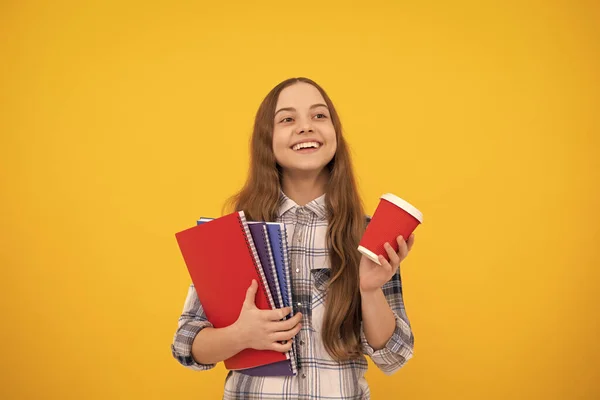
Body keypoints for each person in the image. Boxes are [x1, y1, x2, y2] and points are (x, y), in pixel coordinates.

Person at [172, 77, 416, 399]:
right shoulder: (232, 235)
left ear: (336, 135)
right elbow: (186, 345)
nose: (305, 127)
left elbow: (394, 355)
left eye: (319, 116)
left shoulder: (368, 233)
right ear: (266, 140)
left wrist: (370, 291)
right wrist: (240, 335)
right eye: (287, 119)